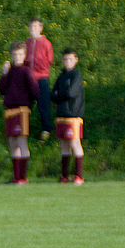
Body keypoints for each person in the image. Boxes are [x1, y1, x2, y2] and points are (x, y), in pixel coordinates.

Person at [0, 40, 39, 185]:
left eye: (20, 54)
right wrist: (4, 74)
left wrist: (28, 102)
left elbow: (35, 91)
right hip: (10, 111)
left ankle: (23, 177)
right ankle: (16, 177)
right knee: (12, 142)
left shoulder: (26, 71)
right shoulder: (9, 71)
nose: (17, 57)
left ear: (24, 54)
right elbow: (1, 90)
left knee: (22, 141)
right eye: (15, 54)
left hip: (22, 110)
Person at [51, 48, 85, 185]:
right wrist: (59, 94)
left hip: (73, 115)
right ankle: (64, 176)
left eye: (70, 59)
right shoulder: (61, 76)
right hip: (61, 114)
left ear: (76, 60)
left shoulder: (76, 75)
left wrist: (60, 94)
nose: (67, 62)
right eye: (65, 59)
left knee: (75, 143)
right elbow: (52, 94)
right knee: (64, 145)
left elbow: (71, 93)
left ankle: (79, 176)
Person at [25, 17, 54, 141]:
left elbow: (50, 60)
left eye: (35, 27)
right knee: (26, 104)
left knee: (43, 104)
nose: (32, 29)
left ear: (40, 28)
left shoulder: (45, 43)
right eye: (31, 27)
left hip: (42, 77)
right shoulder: (26, 43)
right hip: (29, 79)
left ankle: (46, 129)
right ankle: (23, 129)